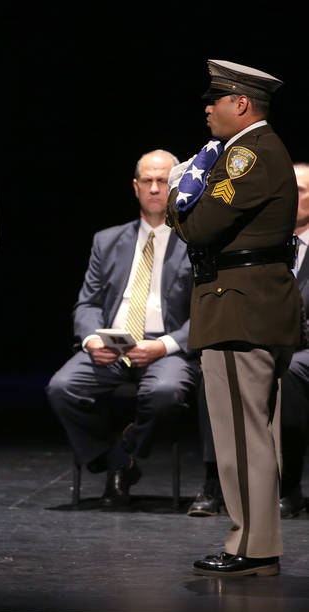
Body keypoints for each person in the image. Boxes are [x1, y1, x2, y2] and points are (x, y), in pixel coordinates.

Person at [167, 60, 299, 577]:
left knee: (243, 436)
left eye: (215, 99)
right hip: (244, 301)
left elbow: (200, 227)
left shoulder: (247, 155)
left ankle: (254, 545)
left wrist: (180, 201)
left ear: (241, 104)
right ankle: (256, 540)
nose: (208, 107)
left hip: (240, 304)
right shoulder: (249, 151)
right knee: (252, 433)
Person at [46, 150, 200, 507]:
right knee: (61, 388)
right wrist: (91, 339)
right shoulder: (107, 240)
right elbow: (87, 303)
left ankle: (125, 449)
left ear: (176, 186)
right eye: (148, 180)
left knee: (166, 393)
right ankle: (120, 462)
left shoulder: (195, 244)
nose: (155, 188)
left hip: (165, 347)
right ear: (135, 187)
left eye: (163, 181)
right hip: (114, 344)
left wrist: (164, 346)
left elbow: (207, 314)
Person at [277, 162, 309, 518]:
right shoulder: (269, 243)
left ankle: (290, 485)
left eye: (298, 190)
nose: (290, 197)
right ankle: (216, 481)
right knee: (222, 363)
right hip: (275, 345)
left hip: (302, 352)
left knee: (290, 370)